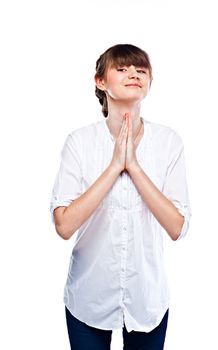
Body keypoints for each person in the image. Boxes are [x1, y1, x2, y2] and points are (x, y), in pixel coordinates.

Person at [50, 43, 191, 350]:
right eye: (122, 68)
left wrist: (134, 168)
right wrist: (115, 166)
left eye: (141, 70)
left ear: (150, 83)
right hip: (88, 297)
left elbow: (177, 227)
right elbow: (63, 226)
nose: (133, 74)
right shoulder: (80, 142)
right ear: (100, 81)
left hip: (148, 299)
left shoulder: (169, 142)